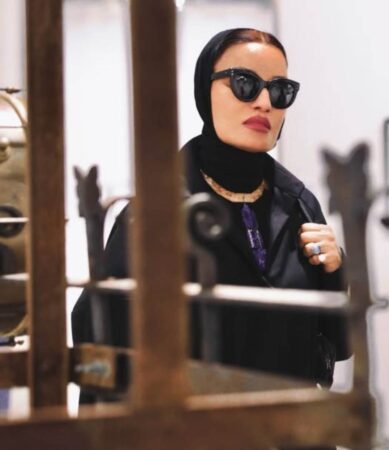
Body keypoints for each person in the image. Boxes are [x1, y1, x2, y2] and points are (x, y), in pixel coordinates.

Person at [72, 28, 348, 390]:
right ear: (205, 89)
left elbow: (337, 345)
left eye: (280, 90)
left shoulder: (299, 204)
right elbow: (98, 338)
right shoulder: (159, 208)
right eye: (245, 83)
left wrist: (334, 272)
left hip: (287, 417)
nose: (264, 102)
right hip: (195, 419)